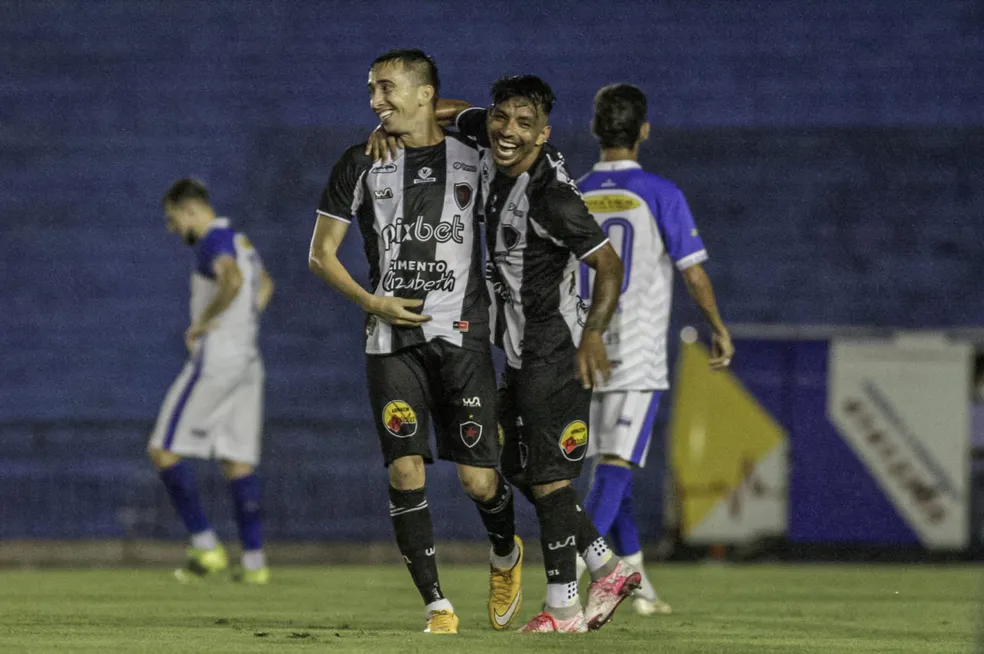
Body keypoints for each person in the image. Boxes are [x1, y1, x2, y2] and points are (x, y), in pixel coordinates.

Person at [394, 75, 642, 633]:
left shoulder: (551, 198)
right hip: (516, 352)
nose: (506, 132)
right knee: (515, 466)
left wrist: (596, 333)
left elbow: (609, 266)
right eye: (501, 118)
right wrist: (397, 122)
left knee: (550, 479)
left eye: (522, 124)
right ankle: (606, 565)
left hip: (554, 350)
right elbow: (451, 110)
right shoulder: (492, 132)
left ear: (543, 133)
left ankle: (564, 610)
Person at [308, 49, 522, 635]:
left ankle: (505, 551)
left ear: (425, 93)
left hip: (462, 337)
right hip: (389, 341)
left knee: (478, 479)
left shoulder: (473, 155)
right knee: (406, 470)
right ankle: (437, 607)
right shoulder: (360, 162)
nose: (376, 100)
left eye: (386, 89)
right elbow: (320, 256)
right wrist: (372, 302)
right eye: (372, 91)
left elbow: (499, 125)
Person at [577, 83, 735, 615]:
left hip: (585, 348)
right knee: (617, 466)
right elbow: (693, 273)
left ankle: (638, 584)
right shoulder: (660, 191)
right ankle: (572, 570)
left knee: (605, 466)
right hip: (637, 353)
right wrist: (717, 325)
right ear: (643, 130)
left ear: (596, 130)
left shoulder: (572, 191)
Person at [148, 178, 274, 584]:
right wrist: (242, 324)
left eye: (173, 219)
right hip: (248, 358)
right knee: (236, 461)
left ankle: (206, 546)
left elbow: (231, 279)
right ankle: (254, 564)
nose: (172, 229)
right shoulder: (241, 240)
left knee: (163, 449)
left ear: (190, 210)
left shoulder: (211, 238)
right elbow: (264, 285)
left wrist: (205, 323)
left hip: (218, 357)